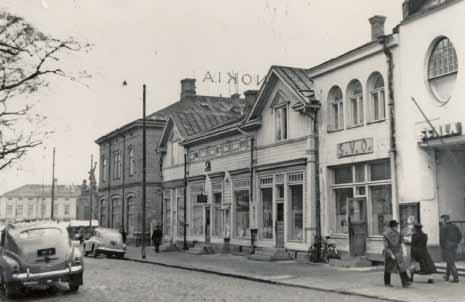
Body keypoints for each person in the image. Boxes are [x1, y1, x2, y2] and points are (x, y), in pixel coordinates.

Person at [383, 220, 411, 288]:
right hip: (390, 252)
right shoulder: (386, 235)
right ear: (392, 227)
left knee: (402, 267)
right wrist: (391, 254)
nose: (397, 227)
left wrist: (406, 241)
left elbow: (402, 241)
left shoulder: (399, 233)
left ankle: (405, 282)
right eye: (396, 226)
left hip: (398, 252)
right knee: (388, 268)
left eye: (397, 226)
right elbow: (386, 246)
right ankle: (387, 283)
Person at [440, 214, 462, 283]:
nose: (442, 221)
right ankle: (447, 276)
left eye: (442, 220)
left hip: (447, 246)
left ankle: (456, 278)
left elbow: (442, 239)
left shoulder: (443, 227)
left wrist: (442, 247)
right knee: (449, 261)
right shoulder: (455, 226)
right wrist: (456, 242)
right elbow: (460, 236)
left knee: (451, 262)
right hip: (454, 245)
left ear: (444, 220)